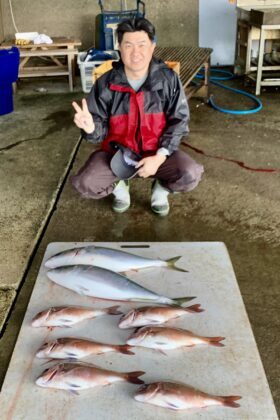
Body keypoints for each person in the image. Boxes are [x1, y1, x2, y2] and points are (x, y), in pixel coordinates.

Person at [71, 17, 204, 216]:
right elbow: (98, 131)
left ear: (152, 47)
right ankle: (119, 187)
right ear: (119, 48)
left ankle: (161, 189)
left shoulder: (168, 80)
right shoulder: (105, 84)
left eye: (142, 45)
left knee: (190, 174)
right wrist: (90, 128)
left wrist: (160, 157)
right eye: (128, 45)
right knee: (84, 183)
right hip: (116, 156)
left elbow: (179, 121)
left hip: (157, 153)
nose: (136, 52)